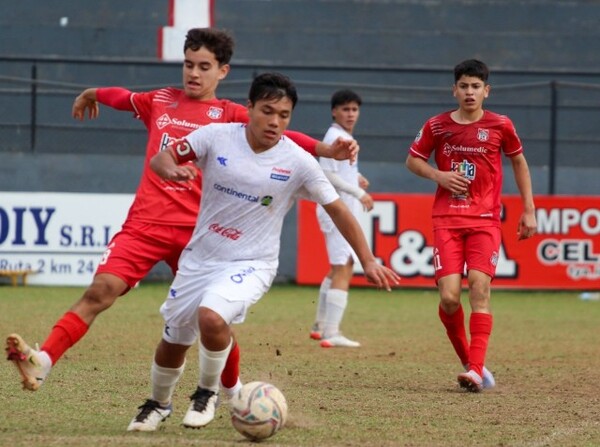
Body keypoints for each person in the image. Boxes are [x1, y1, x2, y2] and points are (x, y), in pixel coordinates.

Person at [4, 28, 357, 401]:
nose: (193, 73)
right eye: (188, 64)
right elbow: (124, 98)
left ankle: (232, 391)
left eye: (204, 66)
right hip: (146, 224)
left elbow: (283, 135)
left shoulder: (231, 114)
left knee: (212, 321)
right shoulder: (160, 100)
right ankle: (42, 361)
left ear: (222, 72)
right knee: (100, 291)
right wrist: (91, 93)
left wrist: (324, 149)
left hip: (199, 236)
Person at [127, 72, 400, 431]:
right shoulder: (216, 136)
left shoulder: (298, 161)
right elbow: (161, 158)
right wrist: (172, 170)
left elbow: (339, 210)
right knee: (174, 339)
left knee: (211, 317)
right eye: (267, 111)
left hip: (251, 263)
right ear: (249, 108)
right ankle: (158, 404)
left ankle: (206, 392)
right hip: (201, 257)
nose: (274, 122)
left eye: (284, 115)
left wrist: (367, 260)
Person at [405, 59, 537, 392]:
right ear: (454, 89)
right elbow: (412, 160)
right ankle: (470, 362)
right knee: (450, 298)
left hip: (484, 220)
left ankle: (476, 371)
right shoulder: (437, 126)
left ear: (486, 91)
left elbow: (518, 161)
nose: (469, 92)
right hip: (447, 220)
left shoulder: (501, 125)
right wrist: (438, 175)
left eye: (476, 86)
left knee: (479, 288)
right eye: (463, 86)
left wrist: (529, 209)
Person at [310, 89, 374, 348]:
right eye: (345, 109)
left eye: (354, 109)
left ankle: (319, 325)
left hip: (339, 209)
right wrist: (359, 192)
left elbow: (338, 172)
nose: (350, 114)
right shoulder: (335, 136)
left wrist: (355, 178)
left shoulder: (343, 136)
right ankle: (331, 332)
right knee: (344, 266)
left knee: (337, 266)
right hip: (336, 210)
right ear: (334, 111)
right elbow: (325, 174)